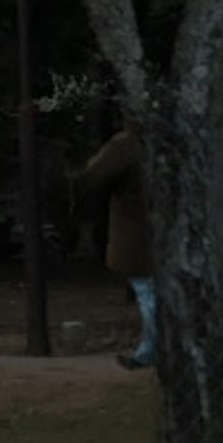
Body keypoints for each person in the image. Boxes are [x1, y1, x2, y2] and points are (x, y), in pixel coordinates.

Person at [72, 124, 154, 369]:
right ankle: (153, 348)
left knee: (148, 293)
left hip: (138, 234)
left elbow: (93, 175)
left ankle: (152, 349)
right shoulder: (174, 139)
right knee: (154, 292)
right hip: (166, 232)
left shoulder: (127, 145)